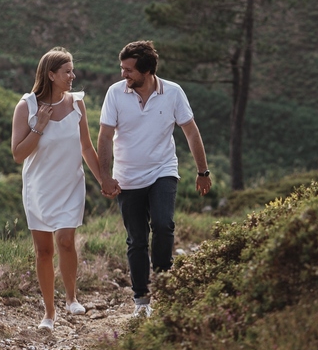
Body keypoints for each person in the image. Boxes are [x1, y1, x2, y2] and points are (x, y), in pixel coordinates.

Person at [97, 40, 211, 317]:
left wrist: (203, 171)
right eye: (122, 68)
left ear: (147, 70)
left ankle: (164, 285)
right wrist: (105, 177)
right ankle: (142, 301)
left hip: (163, 170)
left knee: (163, 225)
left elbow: (191, 132)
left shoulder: (173, 92)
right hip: (127, 178)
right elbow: (105, 136)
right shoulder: (115, 93)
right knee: (137, 240)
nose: (123, 74)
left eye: (129, 70)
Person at [11, 47, 101, 330]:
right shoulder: (26, 107)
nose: (73, 76)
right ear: (51, 75)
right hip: (39, 187)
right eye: (67, 72)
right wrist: (39, 126)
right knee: (44, 251)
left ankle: (71, 298)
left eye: (73, 71)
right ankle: (49, 313)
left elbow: (87, 147)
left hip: (71, 184)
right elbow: (18, 154)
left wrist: (104, 180)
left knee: (65, 240)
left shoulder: (77, 104)